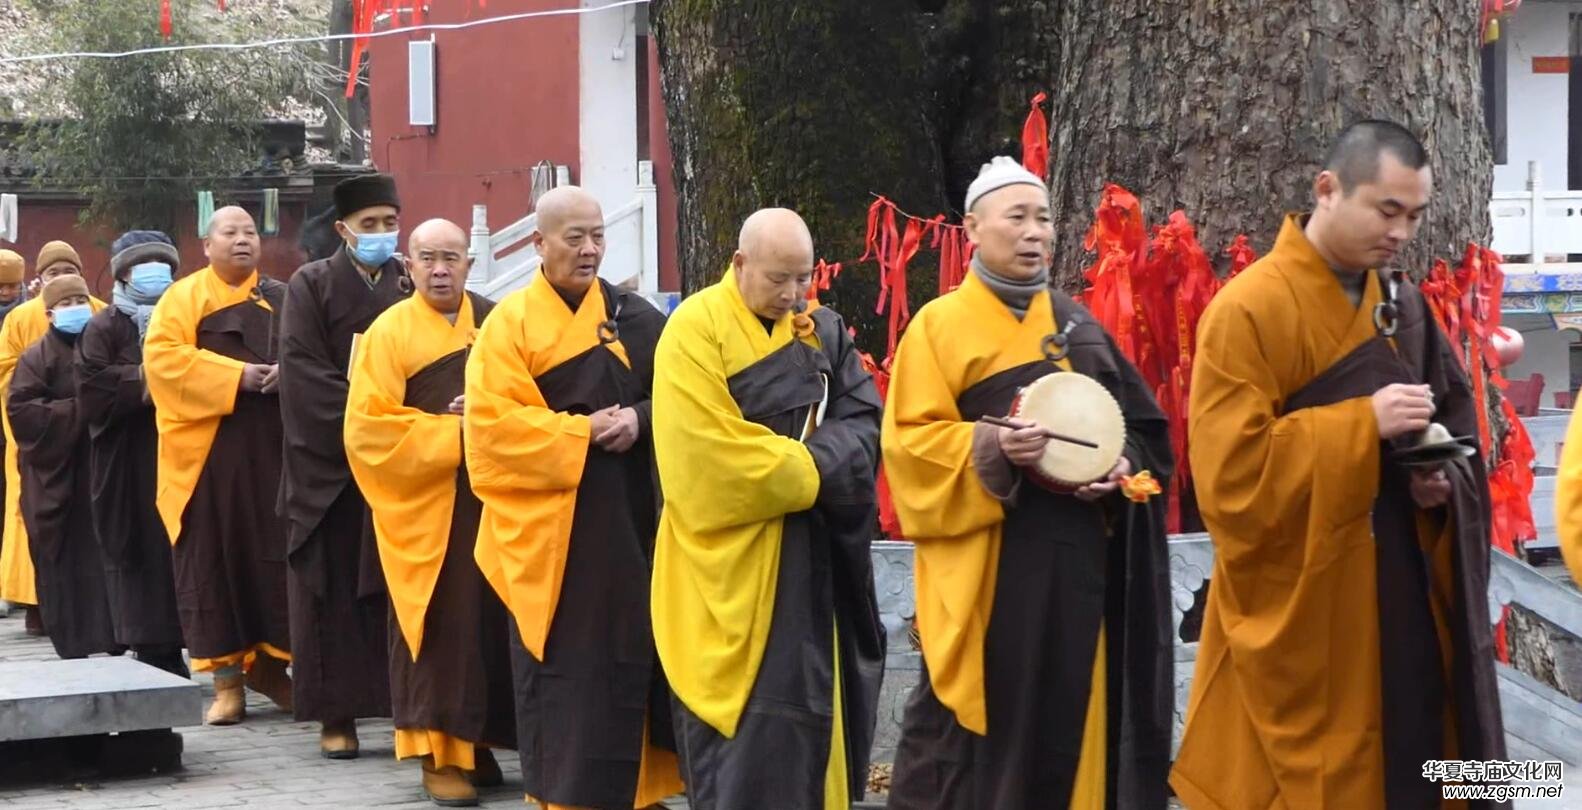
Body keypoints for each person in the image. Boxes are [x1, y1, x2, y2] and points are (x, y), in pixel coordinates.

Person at [1171, 120, 1505, 808]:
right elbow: (1230, 481)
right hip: (1313, 617)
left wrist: (1439, 483)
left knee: (1425, 768)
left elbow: (1457, 430)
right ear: (1328, 189)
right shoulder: (1249, 311)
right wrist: (1362, 426)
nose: (1401, 233)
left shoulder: (1405, 309)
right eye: (1387, 210)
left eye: (1414, 216)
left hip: (1408, 596)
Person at [881, 157, 1175, 810]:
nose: (1034, 232)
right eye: (1016, 217)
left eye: (1043, 218)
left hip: (1079, 573)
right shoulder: (939, 326)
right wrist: (993, 445)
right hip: (991, 574)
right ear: (973, 229)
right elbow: (909, 450)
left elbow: (1146, 436)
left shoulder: (1078, 327)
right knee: (969, 758)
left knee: (1075, 742)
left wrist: (1121, 467)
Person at [650, 207, 886, 810]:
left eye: (802, 279)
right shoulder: (693, 331)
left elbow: (863, 424)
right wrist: (815, 469)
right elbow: (707, 462)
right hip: (728, 567)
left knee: (811, 731)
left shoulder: (823, 331)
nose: (791, 294)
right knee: (749, 749)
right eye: (778, 278)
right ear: (739, 263)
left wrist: (815, 461)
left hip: (813, 562)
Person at [466, 187, 682, 810]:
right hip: (552, 535)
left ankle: (641, 790)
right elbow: (491, 433)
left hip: (632, 519)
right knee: (567, 668)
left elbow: (680, 395)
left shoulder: (633, 317)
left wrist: (639, 421)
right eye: (574, 237)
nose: (590, 250)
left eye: (597, 236)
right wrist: (578, 430)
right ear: (539, 243)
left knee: (637, 651)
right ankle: (562, 795)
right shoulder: (508, 326)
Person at [347, 219, 515, 807]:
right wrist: (452, 432)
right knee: (438, 626)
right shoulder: (387, 333)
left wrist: (495, 410)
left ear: (470, 263)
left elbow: (528, 393)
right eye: (428, 258)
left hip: (493, 497)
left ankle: (480, 740)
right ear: (408, 267)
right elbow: (367, 431)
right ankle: (438, 752)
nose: (440, 268)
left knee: (490, 623)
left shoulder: (496, 322)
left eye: (452, 257)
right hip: (424, 504)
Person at [144, 206, 293, 726]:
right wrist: (238, 377)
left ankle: (272, 669)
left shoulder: (282, 298)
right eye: (229, 233)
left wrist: (286, 374)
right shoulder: (182, 298)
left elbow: (313, 354)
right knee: (212, 565)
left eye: (250, 232)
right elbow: (162, 364)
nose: (242, 240)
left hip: (273, 453)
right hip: (205, 458)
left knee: (274, 560)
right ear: (206, 246)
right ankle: (227, 684)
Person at [277, 173, 406, 756]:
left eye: (389, 222)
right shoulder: (309, 285)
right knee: (330, 594)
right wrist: (371, 421)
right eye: (369, 224)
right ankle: (337, 716)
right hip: (330, 469)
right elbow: (302, 376)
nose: (381, 233)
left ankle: (403, 706)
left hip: (401, 462)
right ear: (342, 229)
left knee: (395, 593)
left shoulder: (412, 281)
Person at [76, 231, 187, 677]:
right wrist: (150, 377)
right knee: (139, 549)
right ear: (122, 273)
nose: (155, 274)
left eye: (163, 265)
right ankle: (153, 649)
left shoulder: (183, 318)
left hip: (180, 450)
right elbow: (92, 388)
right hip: (128, 460)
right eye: (145, 266)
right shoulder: (103, 326)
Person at [7, 274, 119, 659]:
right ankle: (72, 644)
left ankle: (118, 638)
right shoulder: (35, 358)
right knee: (66, 567)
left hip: (105, 471)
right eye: (66, 302)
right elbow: (21, 411)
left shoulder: (106, 347)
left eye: (80, 299)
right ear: (50, 313)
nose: (76, 308)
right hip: (59, 480)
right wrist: (82, 410)